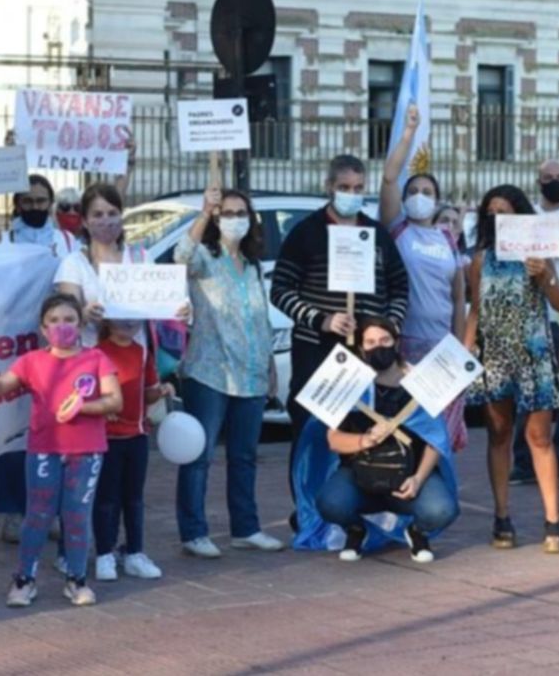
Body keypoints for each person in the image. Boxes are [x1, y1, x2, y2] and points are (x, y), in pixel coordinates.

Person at [271, 153, 410, 525]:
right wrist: (322, 319)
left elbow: (399, 286)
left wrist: (386, 327)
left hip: (366, 355)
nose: (352, 194)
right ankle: (308, 510)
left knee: (361, 429)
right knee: (311, 431)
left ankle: (354, 510)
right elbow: (280, 290)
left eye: (359, 188)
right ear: (330, 187)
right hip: (316, 350)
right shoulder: (306, 232)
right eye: (345, 188)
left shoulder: (376, 234)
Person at [0, 293, 121, 608]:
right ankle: (24, 579)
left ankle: (77, 579)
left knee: (77, 516)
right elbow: (6, 382)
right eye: (54, 321)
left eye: (69, 319)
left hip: (87, 451)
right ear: (43, 328)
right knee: (37, 516)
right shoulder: (32, 361)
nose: (62, 326)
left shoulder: (97, 359)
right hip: (44, 449)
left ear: (81, 324)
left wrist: (83, 407)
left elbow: (115, 400)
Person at [174, 186, 283, 558]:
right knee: (199, 455)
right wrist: (204, 211)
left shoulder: (252, 266)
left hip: (250, 373)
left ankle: (246, 528)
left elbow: (260, 319)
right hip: (210, 372)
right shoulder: (206, 257)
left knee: (244, 456)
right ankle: (193, 531)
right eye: (228, 213)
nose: (235, 219)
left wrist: (269, 365)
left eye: (241, 213)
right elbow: (181, 256)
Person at [465, 184, 559, 554]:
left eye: (505, 211)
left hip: (534, 352)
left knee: (540, 437)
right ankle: (502, 515)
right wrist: (465, 354)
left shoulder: (537, 254)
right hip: (494, 354)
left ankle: (552, 519)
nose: (497, 217)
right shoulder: (480, 259)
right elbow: (475, 310)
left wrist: (545, 276)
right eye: (491, 211)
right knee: (499, 434)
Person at [315, 318, 460, 563]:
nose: (378, 347)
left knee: (442, 510)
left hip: (408, 477)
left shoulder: (420, 381)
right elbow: (334, 439)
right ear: (361, 348)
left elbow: (435, 439)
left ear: (397, 343)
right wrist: (364, 440)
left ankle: (417, 531)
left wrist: (418, 479)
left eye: (385, 340)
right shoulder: (348, 381)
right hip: (360, 474)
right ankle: (356, 529)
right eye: (370, 342)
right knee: (331, 503)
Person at [0, 175, 82, 538]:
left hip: (58, 345)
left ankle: (55, 509)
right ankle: (15, 512)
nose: (34, 207)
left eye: (40, 201)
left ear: (51, 203)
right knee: (14, 434)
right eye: (27, 201)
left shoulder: (67, 241)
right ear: (17, 204)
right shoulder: (4, 239)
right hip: (15, 346)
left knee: (58, 428)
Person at [377, 104, 467, 452]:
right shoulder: (398, 229)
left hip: (440, 346)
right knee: (406, 425)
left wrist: (458, 345)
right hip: (405, 345)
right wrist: (408, 135)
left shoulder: (448, 239)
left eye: (427, 192)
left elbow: (458, 297)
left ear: (437, 200)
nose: (419, 197)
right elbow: (388, 179)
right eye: (413, 191)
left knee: (439, 430)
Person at [509, 159, 559, 487]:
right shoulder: (527, 216)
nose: (554, 182)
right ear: (538, 182)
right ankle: (523, 462)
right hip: (534, 317)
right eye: (548, 178)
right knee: (532, 392)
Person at [93, 318, 173, 581]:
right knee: (106, 499)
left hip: (136, 435)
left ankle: (134, 553)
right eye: (120, 317)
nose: (127, 323)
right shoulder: (97, 352)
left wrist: (160, 391)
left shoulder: (142, 353)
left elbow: (147, 393)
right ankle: (105, 554)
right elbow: (87, 391)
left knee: (134, 499)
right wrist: (103, 407)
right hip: (108, 438)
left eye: (133, 319)